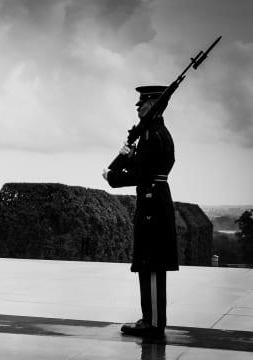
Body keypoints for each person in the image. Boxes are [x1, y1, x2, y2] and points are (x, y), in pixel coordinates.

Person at [102, 85, 179, 338]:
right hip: (154, 200)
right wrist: (128, 156)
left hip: (152, 202)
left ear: (154, 105)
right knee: (147, 262)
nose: (138, 107)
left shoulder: (152, 135)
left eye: (142, 103)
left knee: (153, 263)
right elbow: (143, 165)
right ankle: (149, 318)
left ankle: (154, 323)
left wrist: (113, 176)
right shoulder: (153, 134)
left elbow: (140, 174)